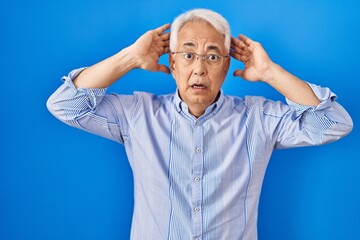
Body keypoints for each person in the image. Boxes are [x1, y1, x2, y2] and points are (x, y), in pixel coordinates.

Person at [47, 8, 352, 240]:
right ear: (173, 62)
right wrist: (130, 57)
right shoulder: (137, 114)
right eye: (189, 54)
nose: (199, 69)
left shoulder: (259, 118)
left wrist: (270, 72)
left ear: (227, 65)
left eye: (212, 56)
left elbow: (333, 123)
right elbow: (64, 105)